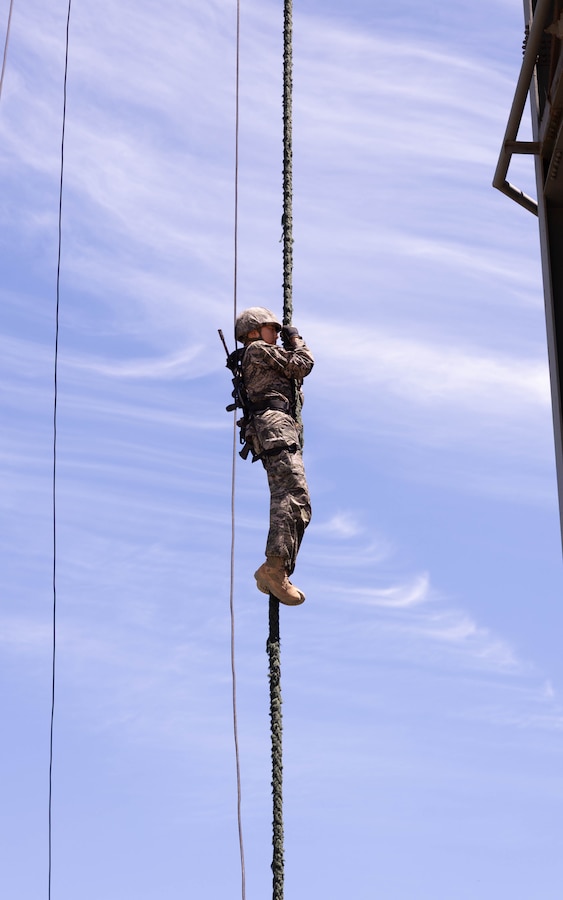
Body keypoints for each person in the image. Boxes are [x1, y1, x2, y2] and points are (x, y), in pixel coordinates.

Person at [235, 306, 314, 606]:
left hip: (279, 427)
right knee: (292, 496)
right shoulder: (257, 350)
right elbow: (303, 364)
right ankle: (274, 567)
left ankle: (275, 568)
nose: (278, 334)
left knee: (298, 500)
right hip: (276, 427)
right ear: (254, 331)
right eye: (273, 328)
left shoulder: (262, 355)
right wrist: (297, 339)